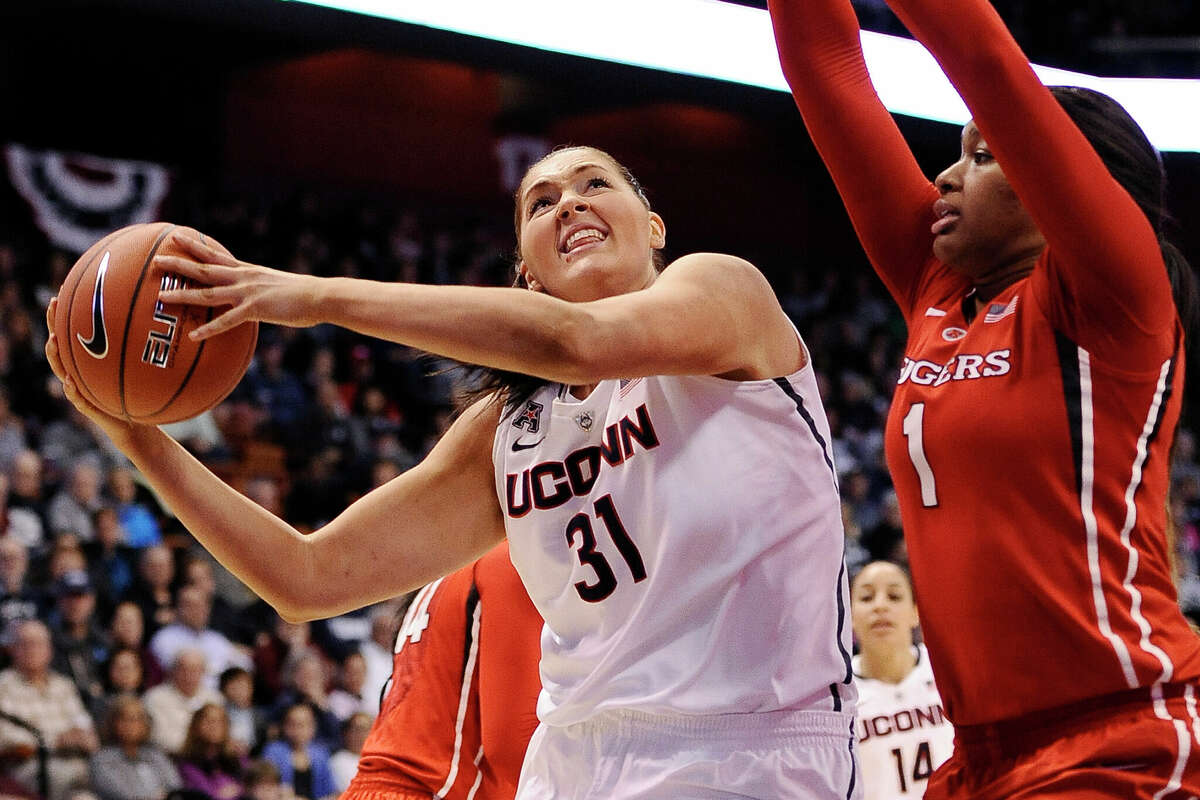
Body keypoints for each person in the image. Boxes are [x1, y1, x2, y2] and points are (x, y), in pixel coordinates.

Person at [46, 143, 858, 798]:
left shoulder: (727, 295)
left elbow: (575, 342)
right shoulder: (507, 431)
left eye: (593, 184)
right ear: (528, 272)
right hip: (571, 762)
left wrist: (320, 296)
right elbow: (307, 576)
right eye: (541, 202)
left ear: (652, 227)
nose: (568, 201)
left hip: (751, 753)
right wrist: (138, 440)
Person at [769, 0, 1200, 796]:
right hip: (978, 757)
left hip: (1118, 738)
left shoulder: (1116, 297)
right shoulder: (938, 294)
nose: (945, 176)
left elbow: (986, 58)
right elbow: (823, 68)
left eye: (983, 156)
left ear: (1055, 181)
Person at [342, 542, 541, 800]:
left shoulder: (439, 575)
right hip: (433, 788)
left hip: (372, 785)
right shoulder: (509, 561)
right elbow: (513, 748)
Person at [849, 562, 951, 800]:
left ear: (916, 612)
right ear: (850, 614)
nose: (880, 606)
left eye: (894, 596)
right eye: (866, 597)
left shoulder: (946, 670)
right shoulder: (838, 695)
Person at [0, 619, 99, 800]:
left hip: (75, 761)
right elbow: (5, 739)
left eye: (39, 644)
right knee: (79, 776)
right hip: (29, 767)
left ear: (49, 650)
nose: (33, 650)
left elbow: (83, 725)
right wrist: (56, 741)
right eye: (26, 644)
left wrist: (83, 738)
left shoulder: (64, 685)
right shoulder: (3, 686)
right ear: (13, 649)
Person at [89, 694, 181, 800]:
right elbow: (120, 793)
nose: (132, 725)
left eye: (138, 719)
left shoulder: (156, 755)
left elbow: (175, 786)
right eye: (125, 719)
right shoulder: (102, 759)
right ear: (113, 723)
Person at [261, 703, 335, 800]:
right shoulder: (273, 751)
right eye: (292, 724)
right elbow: (266, 788)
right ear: (284, 726)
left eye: (303, 724)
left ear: (313, 727)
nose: (298, 729)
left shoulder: (321, 754)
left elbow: (330, 790)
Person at [175, 703, 245, 800]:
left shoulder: (235, 755)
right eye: (209, 721)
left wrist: (239, 789)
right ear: (196, 727)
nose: (215, 726)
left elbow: (250, 783)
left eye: (220, 722)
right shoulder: (188, 761)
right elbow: (206, 794)